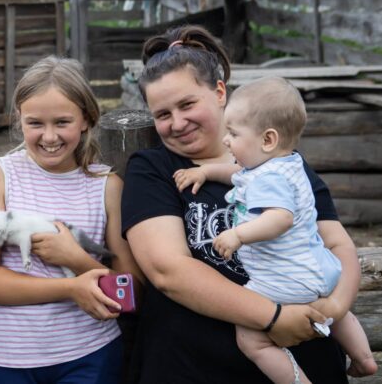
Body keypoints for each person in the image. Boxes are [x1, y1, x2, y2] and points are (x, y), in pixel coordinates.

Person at [121, 25, 364, 383]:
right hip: (194, 368)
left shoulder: (283, 164)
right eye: (163, 114)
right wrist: (274, 317)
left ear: (220, 92)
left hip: (308, 360)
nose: (178, 123)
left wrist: (337, 306)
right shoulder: (153, 170)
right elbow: (168, 271)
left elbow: (338, 245)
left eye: (187, 104)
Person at [173, 77, 376, 383]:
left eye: (234, 133)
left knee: (251, 340)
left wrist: (238, 235)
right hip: (320, 268)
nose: (226, 140)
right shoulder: (287, 165)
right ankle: (364, 358)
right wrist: (206, 171)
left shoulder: (269, 180)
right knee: (337, 315)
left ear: (267, 140)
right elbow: (236, 174)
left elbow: (280, 218)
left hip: (285, 276)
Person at [0, 56, 141, 384]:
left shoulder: (107, 186)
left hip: (91, 356)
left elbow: (130, 288)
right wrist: (71, 287)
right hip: (7, 358)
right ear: (19, 118)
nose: (49, 137)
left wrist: (75, 258)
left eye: (62, 122)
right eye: (35, 123)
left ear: (86, 119)